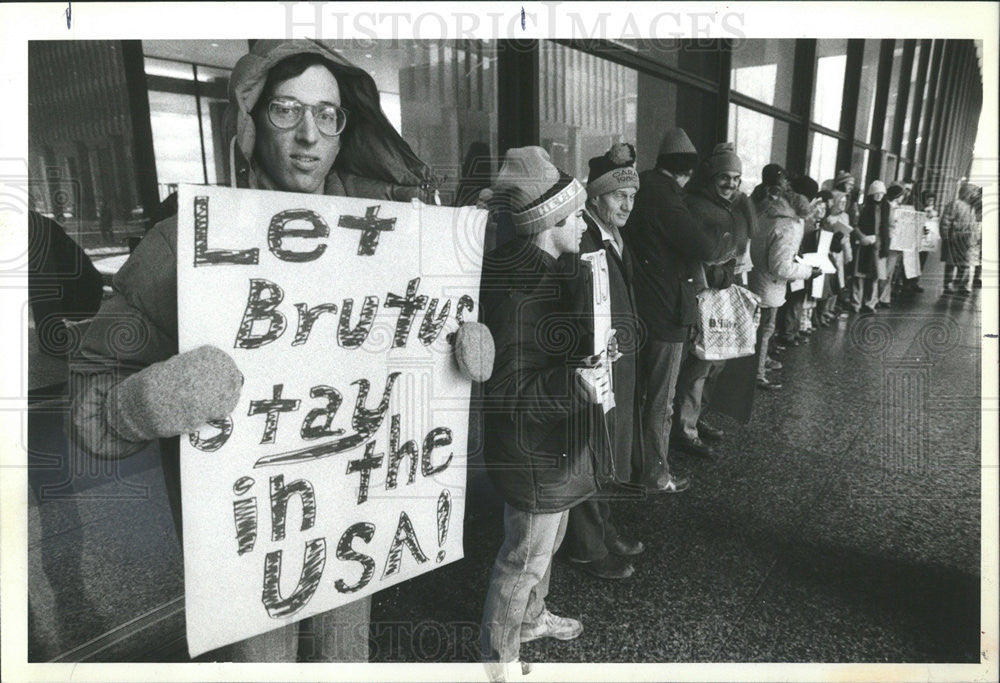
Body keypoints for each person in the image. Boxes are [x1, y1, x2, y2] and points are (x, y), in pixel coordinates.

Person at [69, 39, 442, 663]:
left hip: (353, 511)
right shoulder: (186, 243)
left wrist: (454, 346)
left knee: (346, 659)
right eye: (285, 110)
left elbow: (406, 363)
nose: (307, 135)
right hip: (252, 538)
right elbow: (88, 406)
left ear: (344, 127)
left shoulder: (387, 245)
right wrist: (142, 404)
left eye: (327, 114)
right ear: (250, 121)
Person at [477, 146, 607, 678]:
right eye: (575, 215)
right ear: (548, 222)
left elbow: (549, 354)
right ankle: (497, 658)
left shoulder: (551, 269)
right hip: (534, 449)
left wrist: (595, 353)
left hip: (552, 442)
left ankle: (530, 620)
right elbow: (506, 390)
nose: (584, 223)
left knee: (545, 544)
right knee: (523, 557)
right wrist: (576, 383)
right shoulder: (520, 289)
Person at [562, 142, 645, 581]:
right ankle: (586, 547)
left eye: (632, 197)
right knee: (593, 449)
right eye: (618, 196)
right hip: (596, 363)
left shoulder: (612, 233)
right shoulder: (583, 236)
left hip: (618, 361)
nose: (627, 205)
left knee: (609, 448)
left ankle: (602, 527)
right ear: (595, 195)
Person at [622, 128, 710, 492]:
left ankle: (632, 465)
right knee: (661, 400)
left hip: (640, 307)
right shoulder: (667, 197)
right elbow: (702, 245)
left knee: (639, 394)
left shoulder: (642, 188)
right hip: (666, 313)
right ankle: (657, 475)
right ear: (686, 171)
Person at [673, 143, 755, 460]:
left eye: (736, 178)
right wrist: (724, 273)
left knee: (714, 363)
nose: (732, 184)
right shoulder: (696, 206)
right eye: (726, 176)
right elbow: (697, 258)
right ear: (711, 176)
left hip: (719, 295)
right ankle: (685, 430)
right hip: (702, 297)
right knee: (698, 367)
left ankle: (695, 419)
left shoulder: (726, 207)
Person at [749, 183, 817, 390]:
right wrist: (808, 272)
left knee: (756, 331)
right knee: (765, 331)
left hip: (755, 281)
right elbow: (780, 267)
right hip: (769, 288)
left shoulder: (767, 216)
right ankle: (757, 375)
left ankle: (755, 370)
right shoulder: (789, 226)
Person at [850, 180, 890, 313]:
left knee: (874, 276)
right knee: (859, 275)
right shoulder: (863, 208)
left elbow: (887, 228)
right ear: (871, 193)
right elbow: (854, 226)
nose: (879, 196)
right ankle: (856, 303)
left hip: (878, 247)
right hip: (864, 246)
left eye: (881, 193)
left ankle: (870, 303)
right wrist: (862, 238)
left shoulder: (886, 209)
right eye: (876, 193)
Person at [941, 183, 978, 295]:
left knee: (965, 264)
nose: (975, 195)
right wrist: (945, 237)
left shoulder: (973, 206)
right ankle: (948, 284)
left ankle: (961, 285)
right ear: (967, 192)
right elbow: (945, 221)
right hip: (955, 239)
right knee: (951, 263)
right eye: (974, 192)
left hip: (968, 240)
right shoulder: (955, 204)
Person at [877, 183, 906, 307]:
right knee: (885, 271)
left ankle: (884, 297)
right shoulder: (888, 207)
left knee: (889, 271)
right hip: (889, 240)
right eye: (901, 195)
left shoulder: (896, 207)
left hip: (894, 241)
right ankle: (879, 297)